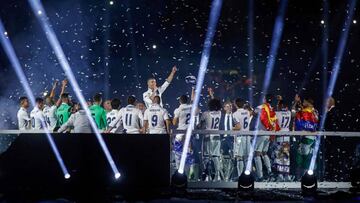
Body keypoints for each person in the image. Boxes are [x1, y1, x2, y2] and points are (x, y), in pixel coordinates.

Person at [254, 94, 280, 181]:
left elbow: (254, 113)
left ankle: (260, 176)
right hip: (269, 134)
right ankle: (269, 172)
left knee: (257, 154)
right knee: (264, 153)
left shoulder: (261, 107)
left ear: (265, 99)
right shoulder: (271, 108)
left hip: (261, 133)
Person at [294, 96, 319, 179]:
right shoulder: (314, 111)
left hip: (307, 138)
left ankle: (303, 177)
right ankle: (307, 176)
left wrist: (296, 105)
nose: (303, 103)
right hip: (312, 138)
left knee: (302, 157)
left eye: (304, 102)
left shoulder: (306, 112)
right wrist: (299, 103)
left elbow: (301, 115)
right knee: (307, 156)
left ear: (308, 103)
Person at [199, 97, 222, 181]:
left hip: (208, 137)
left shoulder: (205, 114)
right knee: (216, 156)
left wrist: (199, 125)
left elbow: (200, 126)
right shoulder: (219, 113)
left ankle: (207, 175)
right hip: (217, 136)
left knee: (206, 156)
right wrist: (212, 96)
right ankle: (217, 175)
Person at [172, 95, 193, 173]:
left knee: (177, 152)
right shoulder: (191, 107)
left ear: (180, 101)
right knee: (188, 152)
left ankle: (178, 170)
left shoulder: (178, 109)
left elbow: (174, 123)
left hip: (180, 133)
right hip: (189, 133)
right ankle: (188, 173)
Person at [232, 98, 252, 177]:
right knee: (246, 157)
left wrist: (231, 128)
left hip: (240, 137)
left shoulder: (235, 114)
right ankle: (248, 175)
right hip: (247, 136)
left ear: (235, 104)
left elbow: (238, 126)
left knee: (239, 157)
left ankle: (240, 176)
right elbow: (251, 112)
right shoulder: (247, 112)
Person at [274, 97, 292, 181]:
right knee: (286, 157)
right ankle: (287, 175)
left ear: (281, 106)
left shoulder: (277, 113)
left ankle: (280, 175)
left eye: (278, 105)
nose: (277, 106)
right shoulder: (288, 113)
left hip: (280, 137)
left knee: (279, 157)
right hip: (287, 137)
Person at [220, 101, 234, 181]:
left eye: (231, 106)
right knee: (223, 158)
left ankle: (231, 176)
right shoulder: (222, 117)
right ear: (224, 108)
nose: (230, 108)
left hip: (232, 139)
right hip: (224, 139)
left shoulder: (234, 116)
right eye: (228, 106)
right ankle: (223, 175)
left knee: (233, 158)